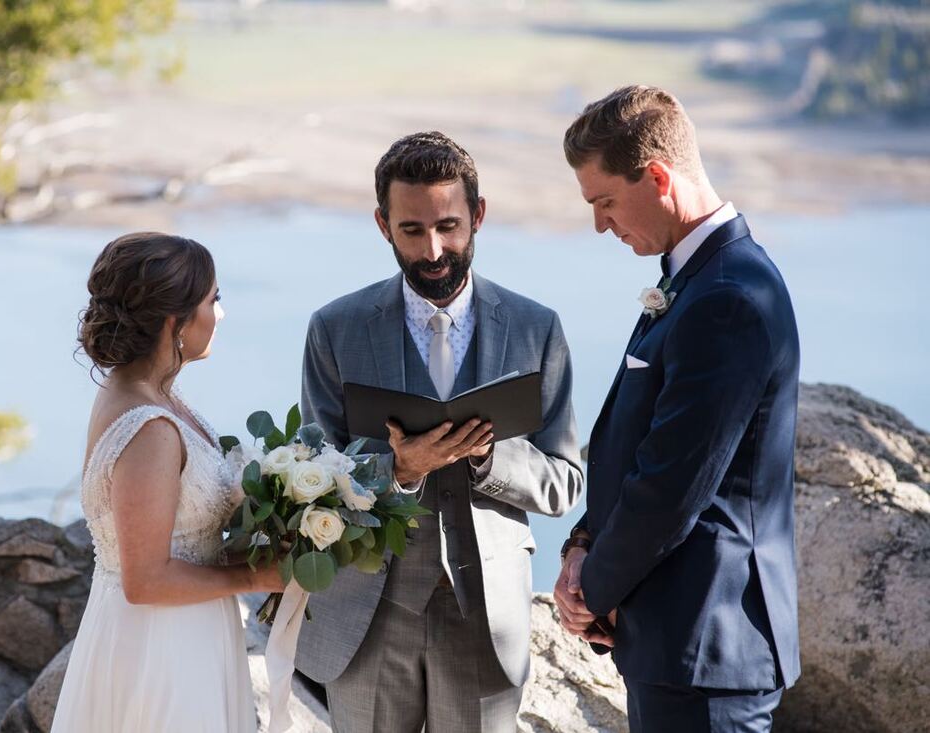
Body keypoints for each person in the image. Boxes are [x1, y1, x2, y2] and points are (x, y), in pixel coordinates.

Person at [294, 131, 585, 731]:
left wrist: (486, 459)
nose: (433, 250)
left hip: (486, 620)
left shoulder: (537, 329)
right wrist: (399, 471)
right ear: (382, 224)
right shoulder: (334, 328)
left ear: (478, 216)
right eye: (412, 231)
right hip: (368, 616)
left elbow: (565, 483)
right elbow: (312, 480)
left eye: (449, 226)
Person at [553, 85, 801, 732]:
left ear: (658, 176)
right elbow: (634, 442)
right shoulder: (690, 279)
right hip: (675, 644)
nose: (601, 223)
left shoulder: (731, 296)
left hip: (708, 648)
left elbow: (671, 483)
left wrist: (590, 591)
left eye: (606, 200)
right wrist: (582, 545)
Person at [51, 232, 283, 732]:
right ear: (175, 322)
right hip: (163, 647)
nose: (219, 315)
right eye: (213, 300)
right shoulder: (150, 429)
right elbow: (146, 580)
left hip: (188, 627)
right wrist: (254, 578)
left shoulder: (151, 394)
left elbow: (180, 536)